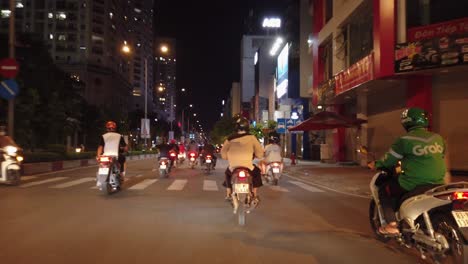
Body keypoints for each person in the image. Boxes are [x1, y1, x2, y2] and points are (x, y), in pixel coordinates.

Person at [368, 107, 450, 235]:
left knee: (385, 191)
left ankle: (392, 225)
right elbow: (442, 156)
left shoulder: (403, 141)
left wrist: (376, 164)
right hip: (438, 182)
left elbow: (388, 160)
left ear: (406, 122)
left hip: (413, 183)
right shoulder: (437, 138)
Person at [221, 116, 264, 202]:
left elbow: (223, 152)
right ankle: (254, 194)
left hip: (233, 167)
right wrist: (258, 155)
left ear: (236, 127)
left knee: (227, 174)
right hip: (248, 166)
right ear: (247, 127)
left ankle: (228, 192)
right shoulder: (252, 138)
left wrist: (226, 157)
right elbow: (260, 152)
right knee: (257, 173)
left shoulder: (230, 139)